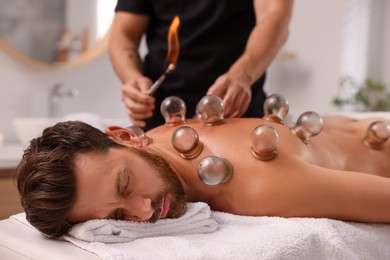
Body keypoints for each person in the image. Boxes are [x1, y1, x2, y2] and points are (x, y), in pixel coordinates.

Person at [16, 113, 390, 238]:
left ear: (125, 136)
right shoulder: (159, 138)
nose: (144, 212)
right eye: (117, 216)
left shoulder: (255, 187)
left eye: (125, 185)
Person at [109, 0, 294, 130]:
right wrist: (132, 78)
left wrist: (242, 75)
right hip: (161, 121)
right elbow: (123, 36)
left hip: (237, 115)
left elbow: (274, 18)